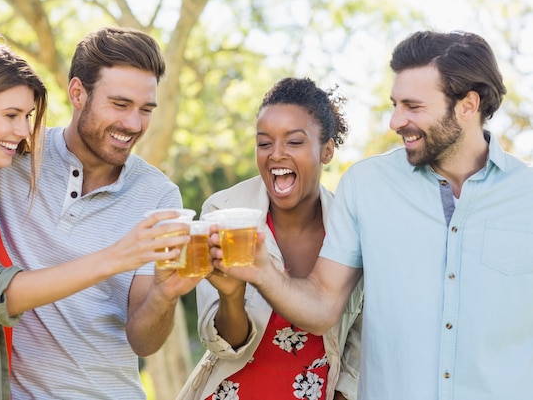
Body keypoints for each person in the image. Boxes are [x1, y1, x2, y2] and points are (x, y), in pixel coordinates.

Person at [206, 30, 533, 399]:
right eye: (395, 104)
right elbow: (322, 304)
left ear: (468, 106)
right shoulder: (366, 185)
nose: (395, 121)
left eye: (413, 106)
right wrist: (262, 272)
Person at [0, 27, 200, 399]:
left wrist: (165, 294)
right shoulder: (13, 159)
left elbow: (144, 342)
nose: (134, 124)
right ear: (78, 93)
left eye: (145, 110)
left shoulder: (158, 195)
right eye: (120, 104)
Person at [178, 78, 363, 400]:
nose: (276, 155)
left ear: (327, 150)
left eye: (294, 142)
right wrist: (231, 296)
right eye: (264, 144)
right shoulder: (223, 212)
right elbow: (226, 346)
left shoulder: (351, 228)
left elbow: (359, 350)